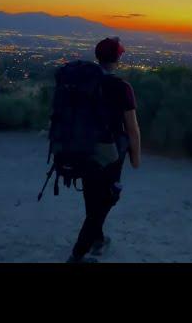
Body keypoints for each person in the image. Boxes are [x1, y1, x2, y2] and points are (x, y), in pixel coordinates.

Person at [66, 37, 141, 263]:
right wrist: (135, 157)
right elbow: (132, 128)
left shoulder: (82, 82)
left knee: (92, 195)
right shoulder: (121, 87)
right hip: (109, 151)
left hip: (81, 146)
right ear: (117, 58)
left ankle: (97, 240)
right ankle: (77, 254)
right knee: (107, 199)